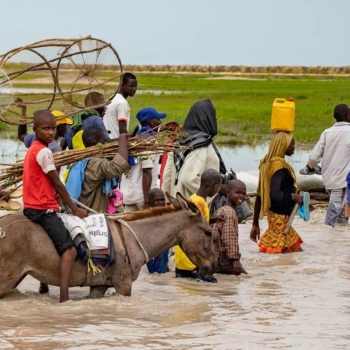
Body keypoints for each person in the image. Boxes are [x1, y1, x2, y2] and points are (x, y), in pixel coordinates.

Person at [22, 110, 87, 303]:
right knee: (70, 250)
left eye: (52, 128)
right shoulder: (44, 152)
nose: (50, 133)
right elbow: (58, 182)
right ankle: (64, 298)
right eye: (45, 129)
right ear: (35, 130)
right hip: (42, 210)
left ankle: (44, 283)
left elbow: (47, 183)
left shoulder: (32, 149)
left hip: (30, 206)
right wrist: (75, 209)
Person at [249, 131, 304, 254]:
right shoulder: (278, 166)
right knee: (281, 253)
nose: (294, 147)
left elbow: (260, 195)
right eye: (292, 144)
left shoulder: (268, 163)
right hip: (280, 220)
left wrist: (255, 224)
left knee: (290, 253)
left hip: (275, 218)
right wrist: (294, 196)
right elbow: (275, 194)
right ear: (283, 145)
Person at [303, 104, 350, 227]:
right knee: (334, 211)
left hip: (329, 179)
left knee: (341, 209)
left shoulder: (327, 133)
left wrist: (309, 167)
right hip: (343, 180)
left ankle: (338, 235)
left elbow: (314, 157)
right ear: (348, 115)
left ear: (334, 116)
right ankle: (328, 234)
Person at [65, 126, 130, 213]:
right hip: (90, 215)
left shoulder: (85, 161)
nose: (106, 144)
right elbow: (116, 167)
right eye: (104, 141)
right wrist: (122, 139)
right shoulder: (95, 163)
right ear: (96, 143)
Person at [175, 168, 222, 282]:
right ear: (214, 186)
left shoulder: (192, 198)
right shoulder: (201, 204)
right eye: (218, 187)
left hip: (181, 260)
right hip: (191, 263)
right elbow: (199, 235)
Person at [120, 107, 166, 212]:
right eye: (158, 119)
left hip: (129, 196)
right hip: (142, 197)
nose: (160, 122)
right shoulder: (148, 141)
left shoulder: (136, 138)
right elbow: (147, 172)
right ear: (150, 121)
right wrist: (146, 202)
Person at [210, 179, 247, 275]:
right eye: (237, 192)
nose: (241, 196)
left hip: (215, 259)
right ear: (228, 193)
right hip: (224, 261)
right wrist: (235, 260)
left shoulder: (221, 210)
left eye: (243, 194)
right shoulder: (230, 213)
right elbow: (229, 238)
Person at [103, 72, 137, 138]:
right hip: (117, 143)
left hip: (108, 139)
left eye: (136, 86)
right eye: (131, 86)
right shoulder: (122, 103)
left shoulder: (112, 97)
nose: (134, 89)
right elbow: (123, 131)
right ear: (122, 85)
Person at [146, 188, 169, 274]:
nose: (160, 203)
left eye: (162, 200)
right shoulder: (147, 217)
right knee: (153, 273)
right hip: (151, 250)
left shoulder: (167, 216)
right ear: (149, 203)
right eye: (157, 200)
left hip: (163, 248)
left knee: (161, 272)